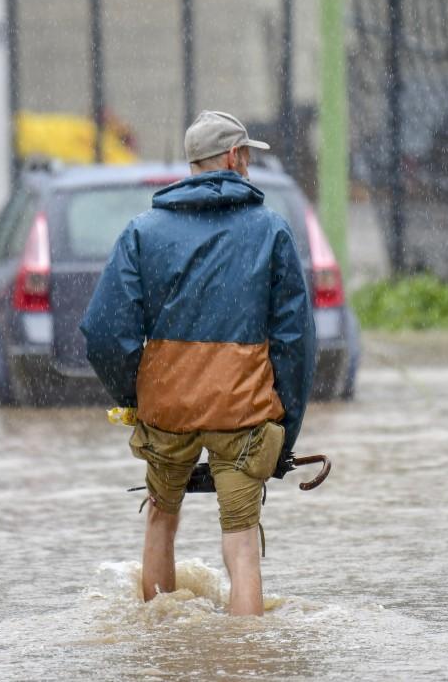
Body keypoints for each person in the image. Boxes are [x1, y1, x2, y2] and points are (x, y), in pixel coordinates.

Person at [79, 110, 315, 616]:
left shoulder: (142, 232)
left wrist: (135, 396)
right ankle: (245, 657)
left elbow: (102, 332)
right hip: (244, 413)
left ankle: (162, 645)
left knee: (161, 519)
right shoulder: (271, 231)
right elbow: (295, 342)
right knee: (242, 541)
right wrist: (285, 434)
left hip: (167, 410)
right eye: (247, 156)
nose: (248, 164)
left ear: (194, 164)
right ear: (234, 159)